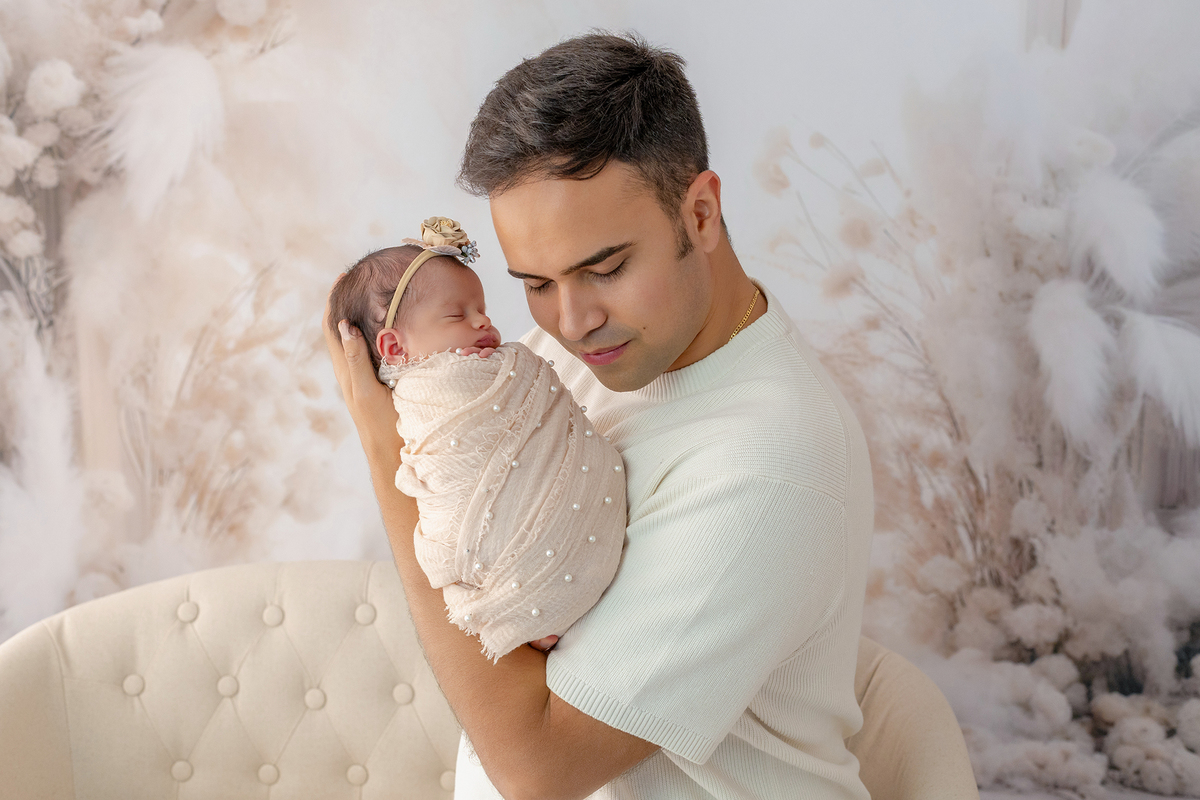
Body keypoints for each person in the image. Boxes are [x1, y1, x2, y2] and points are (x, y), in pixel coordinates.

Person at [325, 32, 874, 799]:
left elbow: (539, 769)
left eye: (605, 268)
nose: (570, 320)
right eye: (535, 283)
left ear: (703, 213)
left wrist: (390, 463)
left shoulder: (770, 462)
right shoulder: (567, 356)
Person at [325, 216, 626, 662]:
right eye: (457, 314)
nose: (483, 321)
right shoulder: (425, 393)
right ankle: (518, 600)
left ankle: (536, 591)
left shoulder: (507, 365)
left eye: (481, 308)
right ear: (394, 348)